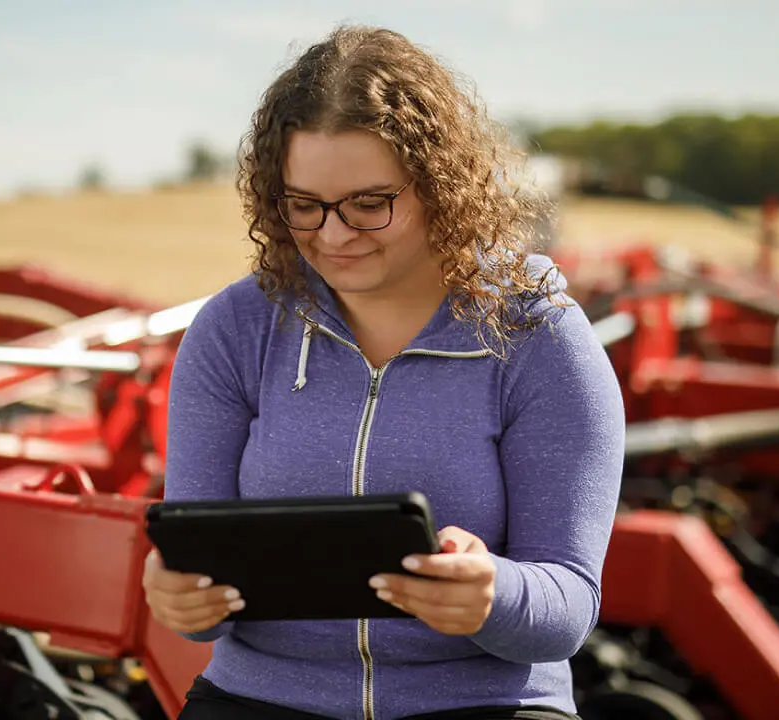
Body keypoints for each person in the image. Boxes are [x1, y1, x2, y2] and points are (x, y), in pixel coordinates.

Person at [141, 24, 625, 720]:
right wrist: (179, 595)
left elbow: (569, 607)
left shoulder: (536, 334)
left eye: (370, 204)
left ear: (440, 186)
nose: (334, 236)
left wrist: (496, 594)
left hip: (486, 703)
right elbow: (199, 593)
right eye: (304, 205)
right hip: (261, 698)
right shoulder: (233, 331)